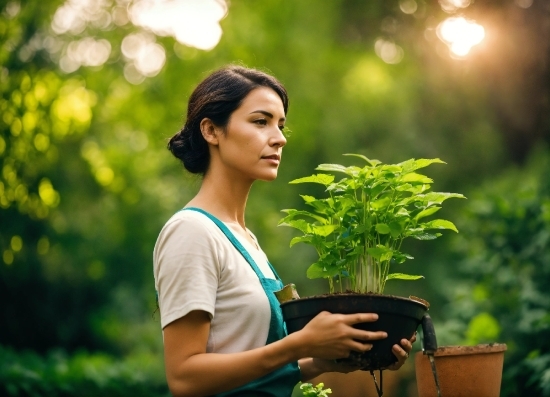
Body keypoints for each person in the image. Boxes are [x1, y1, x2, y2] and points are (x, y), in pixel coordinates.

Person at [153, 65, 415, 397]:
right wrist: (297, 345)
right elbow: (185, 378)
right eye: (260, 122)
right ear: (211, 131)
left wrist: (323, 360)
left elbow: (252, 370)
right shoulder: (192, 231)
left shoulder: (245, 240)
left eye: (280, 124)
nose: (279, 138)